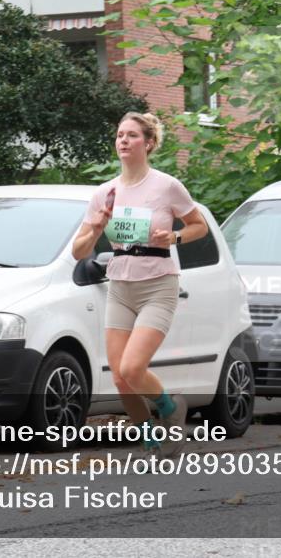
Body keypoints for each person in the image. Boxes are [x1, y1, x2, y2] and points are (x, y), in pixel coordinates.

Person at [71, 112, 209, 457]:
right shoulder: (105, 192)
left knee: (134, 368)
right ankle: (151, 440)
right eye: (120, 135)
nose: (123, 141)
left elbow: (199, 226)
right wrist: (97, 227)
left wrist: (174, 236)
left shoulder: (166, 186)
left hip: (158, 283)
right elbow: (78, 251)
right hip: (120, 284)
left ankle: (168, 406)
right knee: (120, 377)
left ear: (148, 143)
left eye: (132, 135)